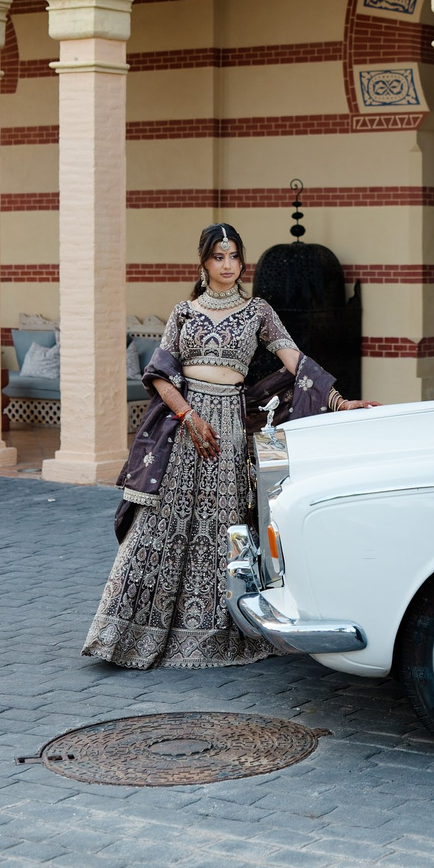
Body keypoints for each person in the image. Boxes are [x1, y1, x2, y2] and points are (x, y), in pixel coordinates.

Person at [83, 223, 373, 669]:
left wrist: (337, 400)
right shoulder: (184, 312)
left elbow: (296, 363)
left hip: (229, 431)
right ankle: (123, 635)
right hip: (187, 426)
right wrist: (188, 416)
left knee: (224, 528)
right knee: (160, 525)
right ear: (203, 261)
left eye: (234, 256)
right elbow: (161, 373)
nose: (227, 265)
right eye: (218, 257)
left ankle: (215, 633)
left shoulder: (258, 311)